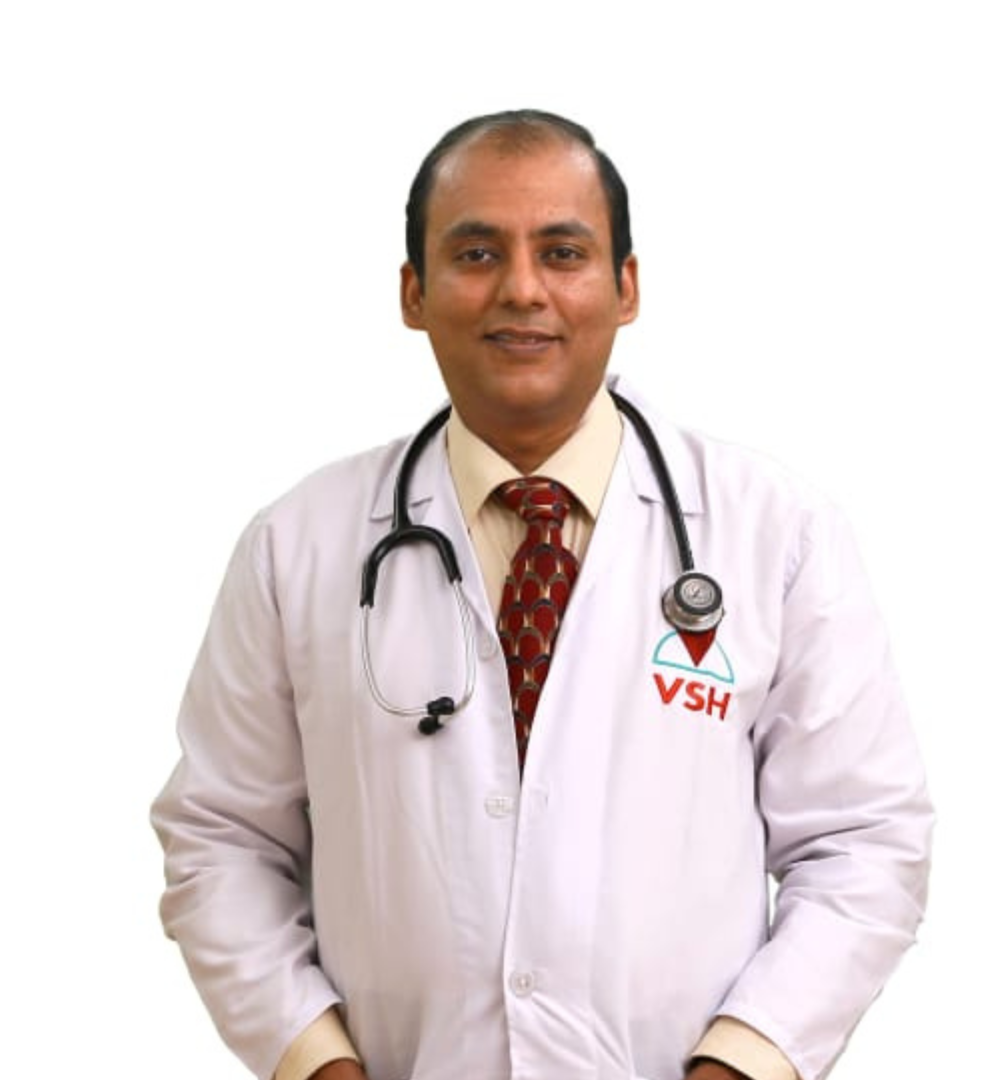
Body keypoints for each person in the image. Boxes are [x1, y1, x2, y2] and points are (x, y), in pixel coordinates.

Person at [152, 109, 933, 1080]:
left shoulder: (776, 535)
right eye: (476, 253)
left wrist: (745, 1061)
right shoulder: (297, 546)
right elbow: (221, 838)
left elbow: (865, 842)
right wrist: (315, 1062)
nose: (522, 289)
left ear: (626, 286)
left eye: (562, 252)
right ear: (413, 292)